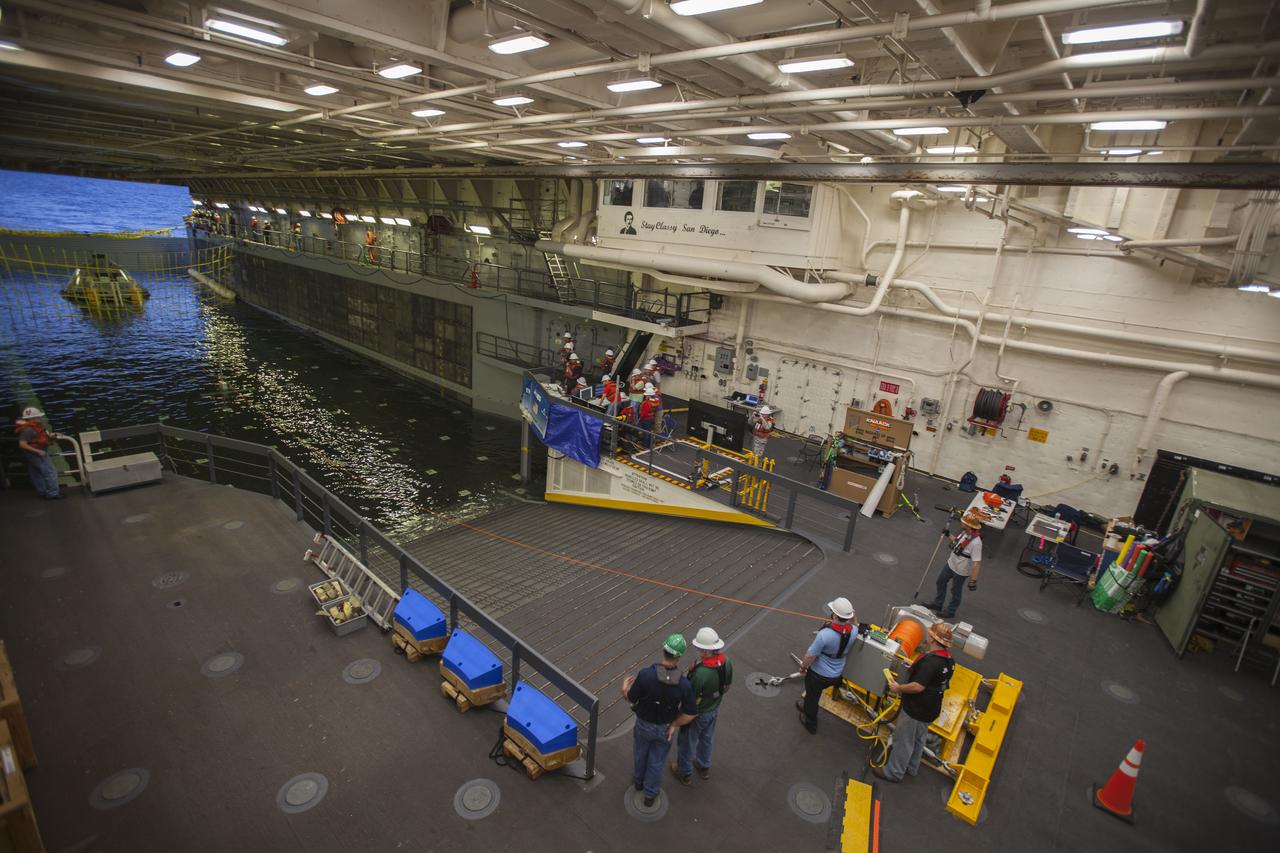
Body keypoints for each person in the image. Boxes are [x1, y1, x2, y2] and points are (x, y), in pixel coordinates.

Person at [874, 622, 955, 783]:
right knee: (919, 738)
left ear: (932, 639)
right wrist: (916, 667)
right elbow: (934, 679)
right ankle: (912, 767)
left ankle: (894, 772)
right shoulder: (948, 660)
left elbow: (918, 687)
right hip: (931, 708)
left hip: (916, 709)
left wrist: (899, 688)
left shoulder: (930, 663)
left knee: (903, 739)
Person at [623, 634, 696, 808]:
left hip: (643, 724)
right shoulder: (684, 685)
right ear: (679, 656)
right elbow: (691, 713)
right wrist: (674, 725)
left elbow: (632, 698)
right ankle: (650, 794)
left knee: (640, 753)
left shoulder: (646, 675)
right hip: (664, 729)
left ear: (663, 649)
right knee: (656, 761)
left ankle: (638, 781)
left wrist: (624, 689)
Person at [673, 627, 732, 785]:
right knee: (707, 738)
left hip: (698, 713)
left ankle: (684, 772)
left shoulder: (700, 673)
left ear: (705, 651)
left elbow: (689, 698)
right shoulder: (727, 663)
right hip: (714, 708)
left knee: (687, 742)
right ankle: (703, 765)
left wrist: (680, 714)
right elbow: (727, 687)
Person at [797, 597, 857, 734]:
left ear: (834, 615)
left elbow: (810, 656)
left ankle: (810, 723)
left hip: (819, 675)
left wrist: (803, 667)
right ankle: (806, 706)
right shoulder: (853, 631)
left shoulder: (824, 635)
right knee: (811, 696)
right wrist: (852, 615)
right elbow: (855, 624)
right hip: (837, 674)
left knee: (813, 697)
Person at [927, 508, 984, 618]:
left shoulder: (976, 543)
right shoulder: (964, 533)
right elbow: (957, 543)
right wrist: (948, 535)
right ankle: (938, 604)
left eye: (964, 522)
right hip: (951, 564)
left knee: (955, 591)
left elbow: (976, 563)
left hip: (961, 571)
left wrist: (973, 580)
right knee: (940, 581)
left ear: (968, 525)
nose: (962, 522)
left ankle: (951, 611)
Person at [15, 406, 64, 500]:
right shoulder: (28, 430)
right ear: (32, 418)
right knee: (50, 472)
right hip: (37, 454)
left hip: (31, 455)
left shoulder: (32, 427)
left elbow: (41, 436)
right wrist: (38, 451)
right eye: (38, 416)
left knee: (36, 473)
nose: (40, 418)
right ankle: (53, 493)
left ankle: (42, 491)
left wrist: (53, 435)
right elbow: (22, 444)